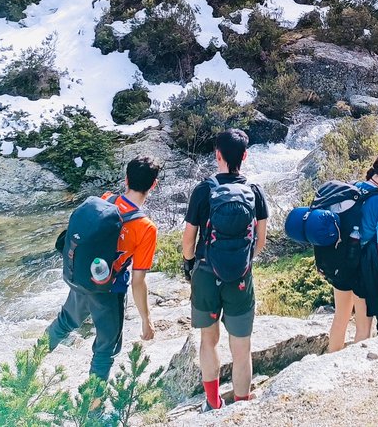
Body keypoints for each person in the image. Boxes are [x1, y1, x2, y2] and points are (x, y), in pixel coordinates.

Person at [45, 155, 161, 380]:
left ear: (126, 179)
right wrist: (146, 320)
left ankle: (27, 367)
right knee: (105, 350)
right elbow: (138, 281)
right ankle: (92, 410)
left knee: (64, 322)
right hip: (108, 292)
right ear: (153, 185)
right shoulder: (146, 228)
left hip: (81, 278)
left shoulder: (106, 199)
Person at [181, 128, 268, 411]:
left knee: (209, 340)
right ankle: (242, 404)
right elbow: (261, 240)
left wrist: (190, 264)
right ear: (244, 156)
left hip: (206, 274)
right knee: (241, 346)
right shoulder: (254, 192)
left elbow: (189, 238)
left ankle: (213, 402)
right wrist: (243, 260)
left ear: (217, 155)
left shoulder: (204, 190)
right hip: (240, 277)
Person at [328, 151, 378, 351]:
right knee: (364, 329)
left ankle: (329, 365)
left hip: (341, 262)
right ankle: (351, 374)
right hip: (363, 270)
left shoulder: (352, 188)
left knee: (340, 318)